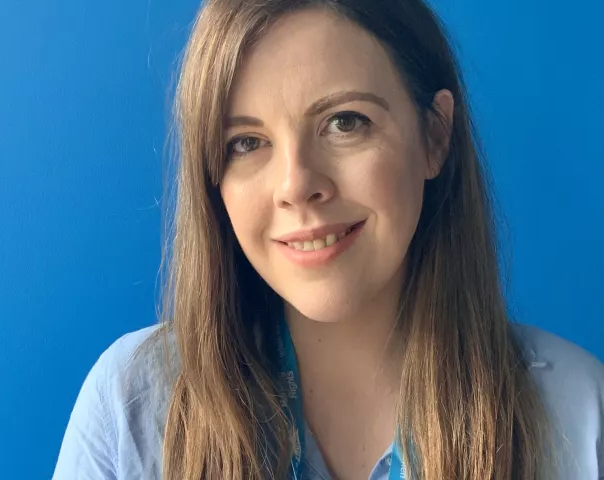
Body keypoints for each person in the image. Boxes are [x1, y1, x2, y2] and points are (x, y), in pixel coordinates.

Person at [52, 0, 604, 479]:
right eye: (246, 142)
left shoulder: (579, 413)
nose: (295, 186)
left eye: (345, 122)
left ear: (435, 135)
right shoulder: (130, 406)